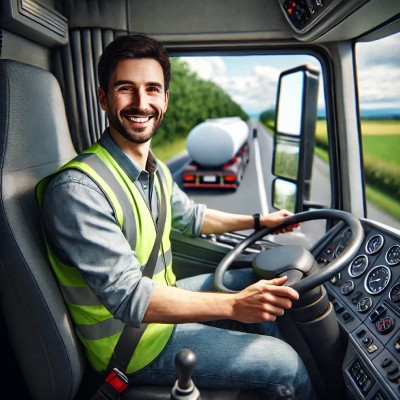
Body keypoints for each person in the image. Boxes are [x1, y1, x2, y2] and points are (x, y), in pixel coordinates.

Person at [36, 34, 316, 400]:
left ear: (165, 100)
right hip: (133, 344)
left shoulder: (155, 169)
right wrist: (235, 305)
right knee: (287, 365)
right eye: (126, 89)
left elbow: (194, 218)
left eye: (152, 89)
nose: (141, 102)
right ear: (104, 98)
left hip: (160, 302)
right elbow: (131, 298)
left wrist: (259, 220)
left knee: (262, 278)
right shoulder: (77, 190)